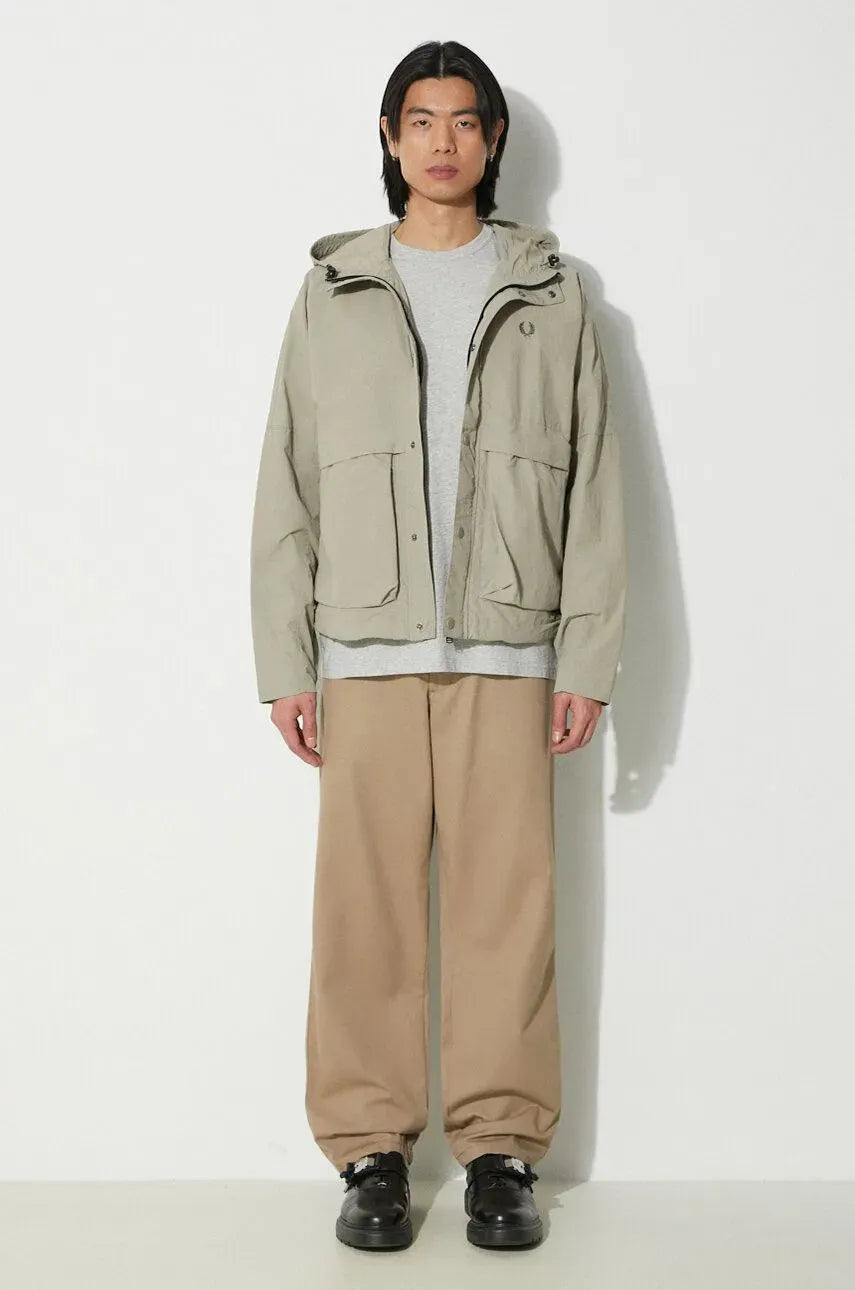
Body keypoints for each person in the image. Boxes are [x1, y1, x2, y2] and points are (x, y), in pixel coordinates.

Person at [249, 39, 627, 1252]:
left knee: (506, 913)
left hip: (509, 648)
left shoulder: (554, 294)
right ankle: (370, 1148)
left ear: (493, 140)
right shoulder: (335, 289)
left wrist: (586, 659)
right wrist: (284, 661)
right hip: (363, 645)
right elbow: (288, 481)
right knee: (362, 913)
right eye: (421, 120)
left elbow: (598, 489)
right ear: (389, 136)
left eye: (465, 121)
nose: (444, 141)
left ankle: (502, 1150)